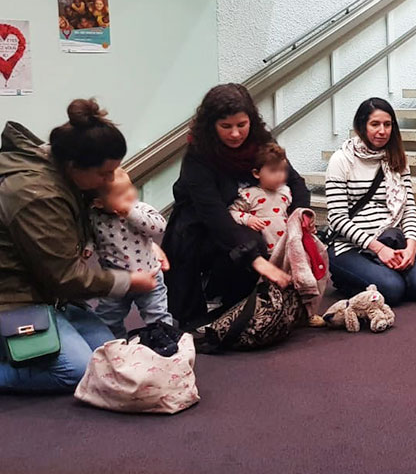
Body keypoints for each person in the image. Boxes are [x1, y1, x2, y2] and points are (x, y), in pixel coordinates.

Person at [0, 99, 158, 392]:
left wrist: (148, 244)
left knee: (108, 353)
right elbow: (65, 276)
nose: (110, 181)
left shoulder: (62, 171)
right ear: (74, 166)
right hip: (14, 296)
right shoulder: (36, 195)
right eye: (104, 174)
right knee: (79, 371)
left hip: (48, 291)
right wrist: (127, 281)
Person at [163, 84, 306, 325]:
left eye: (242, 125)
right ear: (212, 126)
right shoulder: (199, 154)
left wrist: (301, 217)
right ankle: (217, 300)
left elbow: (295, 181)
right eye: (226, 126)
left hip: (247, 219)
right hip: (199, 228)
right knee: (252, 243)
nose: (236, 134)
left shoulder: (261, 142)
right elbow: (214, 215)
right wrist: (256, 258)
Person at [325, 97, 416, 306]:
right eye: (375, 124)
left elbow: (408, 208)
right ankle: (345, 277)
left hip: (390, 238)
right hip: (350, 245)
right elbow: (337, 219)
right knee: (392, 290)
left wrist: (411, 246)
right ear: (361, 126)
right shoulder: (342, 160)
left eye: (387, 124)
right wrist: (378, 249)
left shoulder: (397, 159)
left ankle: (375, 273)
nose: (382, 131)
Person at [89, 167, 172, 338]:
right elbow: (89, 236)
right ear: (99, 203)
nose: (130, 194)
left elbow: (159, 227)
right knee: (108, 320)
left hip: (149, 276)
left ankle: (166, 346)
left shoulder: (139, 209)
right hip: (116, 281)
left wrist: (132, 214)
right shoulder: (94, 218)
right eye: (120, 194)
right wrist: (87, 248)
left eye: (130, 187)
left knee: (157, 316)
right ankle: (118, 348)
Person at [228, 143, 292, 253]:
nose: (279, 175)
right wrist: (247, 219)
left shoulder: (286, 192)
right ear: (257, 173)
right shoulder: (250, 194)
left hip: (287, 248)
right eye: (273, 170)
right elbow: (232, 212)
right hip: (263, 251)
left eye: (282, 170)